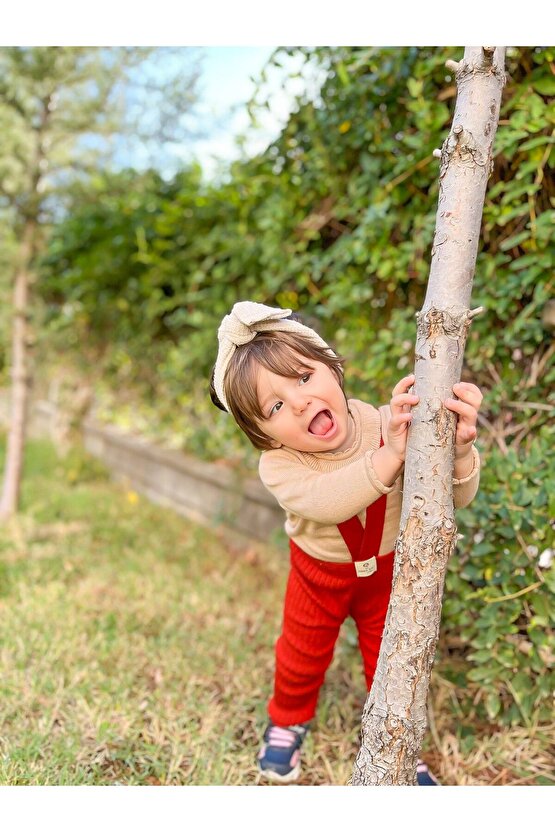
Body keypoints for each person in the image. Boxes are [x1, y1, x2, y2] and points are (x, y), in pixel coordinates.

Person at [210, 301, 482, 785]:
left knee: (392, 655)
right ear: (264, 436)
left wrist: (456, 449)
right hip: (319, 574)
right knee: (302, 650)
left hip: (389, 573)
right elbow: (330, 499)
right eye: (274, 408)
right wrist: (393, 455)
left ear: (333, 369)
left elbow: (454, 495)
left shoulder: (388, 424)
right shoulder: (281, 466)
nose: (297, 402)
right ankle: (287, 718)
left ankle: (397, 742)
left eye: (303, 377)